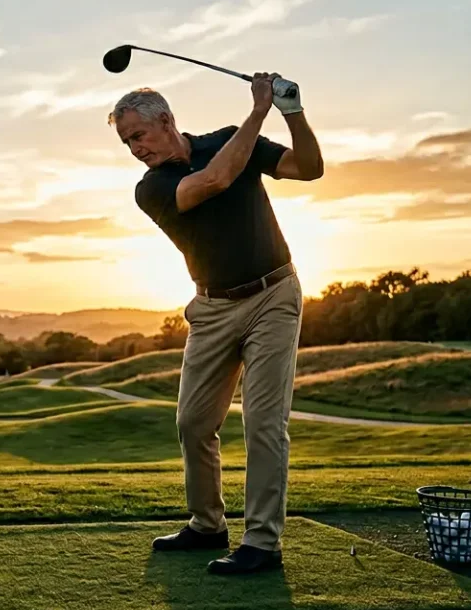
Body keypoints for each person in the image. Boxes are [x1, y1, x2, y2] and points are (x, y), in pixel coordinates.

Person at [108, 73, 324, 574]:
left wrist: (292, 111)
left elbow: (308, 168)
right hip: (211, 309)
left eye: (138, 136)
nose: (135, 149)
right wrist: (258, 111)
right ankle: (208, 525)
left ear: (165, 120)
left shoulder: (230, 138)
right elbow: (215, 181)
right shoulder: (153, 187)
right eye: (126, 142)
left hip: (274, 295)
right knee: (192, 422)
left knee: (264, 423)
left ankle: (263, 542)